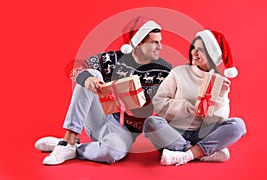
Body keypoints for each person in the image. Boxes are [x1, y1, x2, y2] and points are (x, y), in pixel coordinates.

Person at [34, 16, 172, 165]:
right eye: (154, 42)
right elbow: (73, 67)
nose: (160, 47)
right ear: (139, 44)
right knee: (91, 74)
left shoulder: (164, 71)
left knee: (111, 153)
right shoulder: (112, 59)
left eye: (160, 42)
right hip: (99, 115)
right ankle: (69, 139)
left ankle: (73, 148)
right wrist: (87, 79)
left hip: (124, 132)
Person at [143, 29, 246, 166]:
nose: (194, 53)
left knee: (238, 125)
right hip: (174, 133)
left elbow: (218, 120)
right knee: (151, 122)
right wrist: (187, 108)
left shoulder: (219, 81)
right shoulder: (178, 72)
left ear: (212, 55)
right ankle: (200, 153)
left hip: (201, 134)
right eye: (194, 48)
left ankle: (183, 155)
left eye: (201, 50)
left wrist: (220, 97)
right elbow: (158, 102)